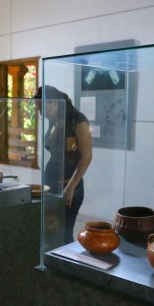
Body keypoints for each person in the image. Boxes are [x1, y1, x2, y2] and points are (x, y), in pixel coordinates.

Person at [34, 85, 93, 244]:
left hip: (69, 186)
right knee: (49, 231)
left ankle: (63, 266)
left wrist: (71, 187)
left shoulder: (78, 120)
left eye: (42, 108)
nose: (40, 113)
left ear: (53, 103)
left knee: (63, 232)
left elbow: (86, 156)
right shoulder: (54, 120)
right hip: (51, 184)